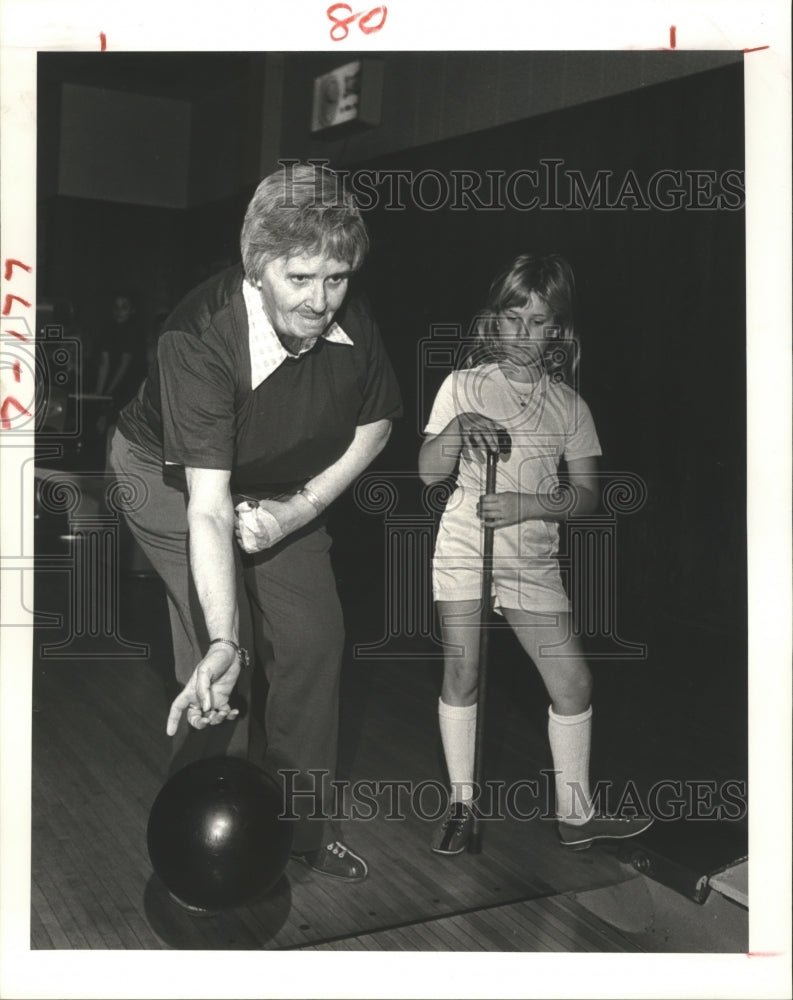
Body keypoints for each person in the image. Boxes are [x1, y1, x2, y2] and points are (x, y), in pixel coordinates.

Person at [110, 163, 402, 883]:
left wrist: (296, 510)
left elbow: (377, 426)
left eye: (336, 278)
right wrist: (224, 639)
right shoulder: (197, 338)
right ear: (258, 267)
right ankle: (204, 841)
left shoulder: (350, 319)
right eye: (300, 279)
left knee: (313, 639)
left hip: (282, 483)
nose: (319, 301)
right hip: (170, 477)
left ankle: (303, 832)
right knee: (220, 671)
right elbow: (208, 506)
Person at [418, 253, 652, 854]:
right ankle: (461, 807)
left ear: (559, 331)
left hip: (533, 558)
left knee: (573, 682)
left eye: (540, 321)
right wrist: (456, 430)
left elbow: (590, 499)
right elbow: (426, 473)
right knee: (463, 672)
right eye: (513, 318)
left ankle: (576, 815)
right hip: (468, 545)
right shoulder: (462, 386)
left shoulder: (570, 406)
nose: (525, 334)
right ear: (493, 322)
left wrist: (527, 504)